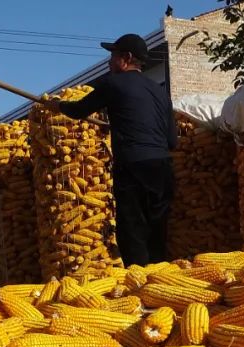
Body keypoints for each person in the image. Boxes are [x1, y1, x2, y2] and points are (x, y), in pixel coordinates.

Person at [54, 33, 177, 266]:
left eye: (112, 56)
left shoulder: (113, 83)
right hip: (162, 167)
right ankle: (160, 284)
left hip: (133, 166)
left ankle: (139, 287)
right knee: (157, 233)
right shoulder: (161, 93)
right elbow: (172, 141)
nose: (109, 62)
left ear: (126, 58)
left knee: (133, 233)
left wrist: (58, 105)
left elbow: (79, 110)